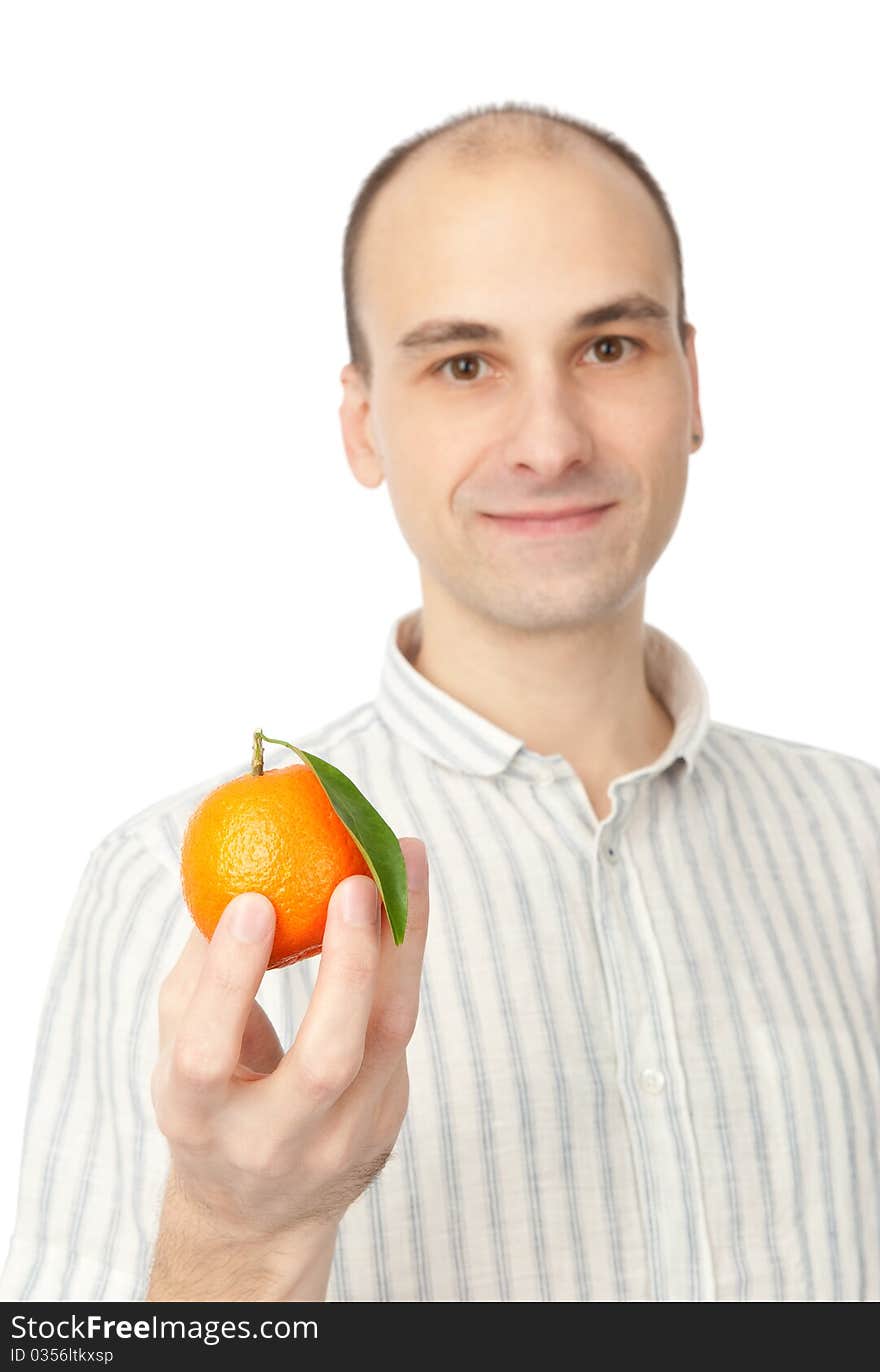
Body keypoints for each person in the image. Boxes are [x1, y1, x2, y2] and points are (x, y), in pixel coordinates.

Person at [2, 99, 879, 1305]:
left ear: (692, 382)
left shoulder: (862, 842)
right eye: (464, 363)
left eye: (609, 347)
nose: (547, 439)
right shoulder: (171, 887)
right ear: (364, 424)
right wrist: (236, 1233)